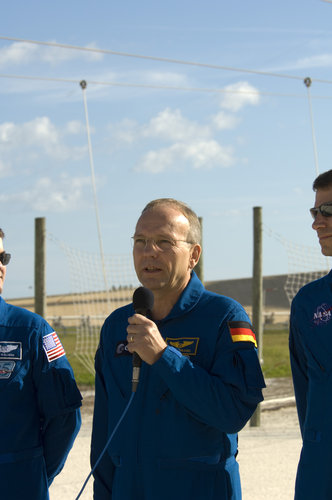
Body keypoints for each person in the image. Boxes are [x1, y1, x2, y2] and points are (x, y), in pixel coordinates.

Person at [91, 198, 265, 500]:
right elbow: (104, 432)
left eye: (164, 242)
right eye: (141, 241)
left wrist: (163, 357)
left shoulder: (224, 317)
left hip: (200, 489)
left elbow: (234, 413)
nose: (149, 252)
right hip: (129, 488)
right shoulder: (117, 325)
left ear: (193, 255)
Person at [0, 228, 82, 499]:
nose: (0, 266)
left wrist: (32, 475)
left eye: (3, 257)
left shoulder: (30, 331)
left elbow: (65, 417)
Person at [289, 169, 332, 499]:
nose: (317, 223)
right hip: (320, 471)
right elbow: (306, 395)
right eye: (315, 212)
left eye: (328, 211)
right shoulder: (308, 302)